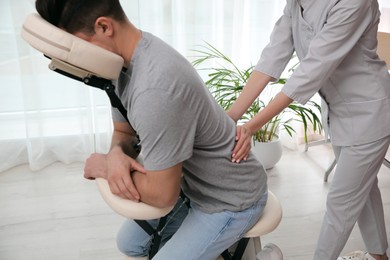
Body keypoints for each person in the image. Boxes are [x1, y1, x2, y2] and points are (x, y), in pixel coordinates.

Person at [33, 0, 277, 259]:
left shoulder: (156, 88)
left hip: (230, 198)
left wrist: (104, 166)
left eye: (78, 46)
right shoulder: (121, 62)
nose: (78, 58)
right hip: (194, 186)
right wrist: (116, 154)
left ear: (104, 27)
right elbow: (124, 133)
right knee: (129, 243)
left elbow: (162, 196)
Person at [226, 0, 390, 259]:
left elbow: (311, 72)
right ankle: (379, 256)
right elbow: (272, 58)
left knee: (340, 203)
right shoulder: (296, 4)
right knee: (363, 189)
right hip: (340, 113)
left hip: (368, 114)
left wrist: (251, 126)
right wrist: (231, 115)